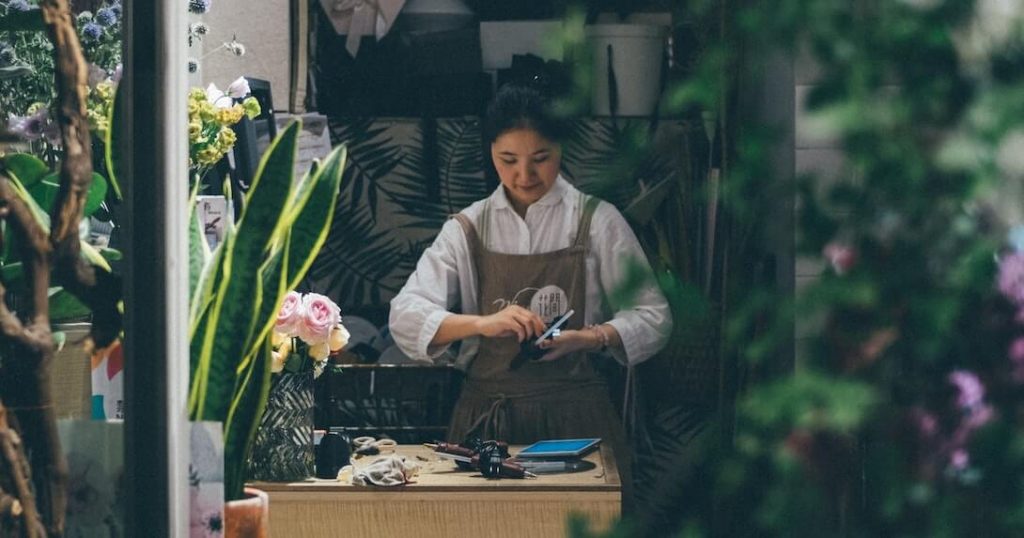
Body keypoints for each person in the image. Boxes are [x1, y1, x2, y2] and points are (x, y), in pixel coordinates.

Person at [389, 83, 672, 488]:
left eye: (541, 158)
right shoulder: (467, 228)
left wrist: (588, 338)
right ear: (491, 153)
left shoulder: (597, 221)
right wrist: (482, 324)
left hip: (578, 423)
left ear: (561, 149)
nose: (524, 175)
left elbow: (654, 317)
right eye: (508, 160)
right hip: (485, 424)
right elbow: (405, 315)